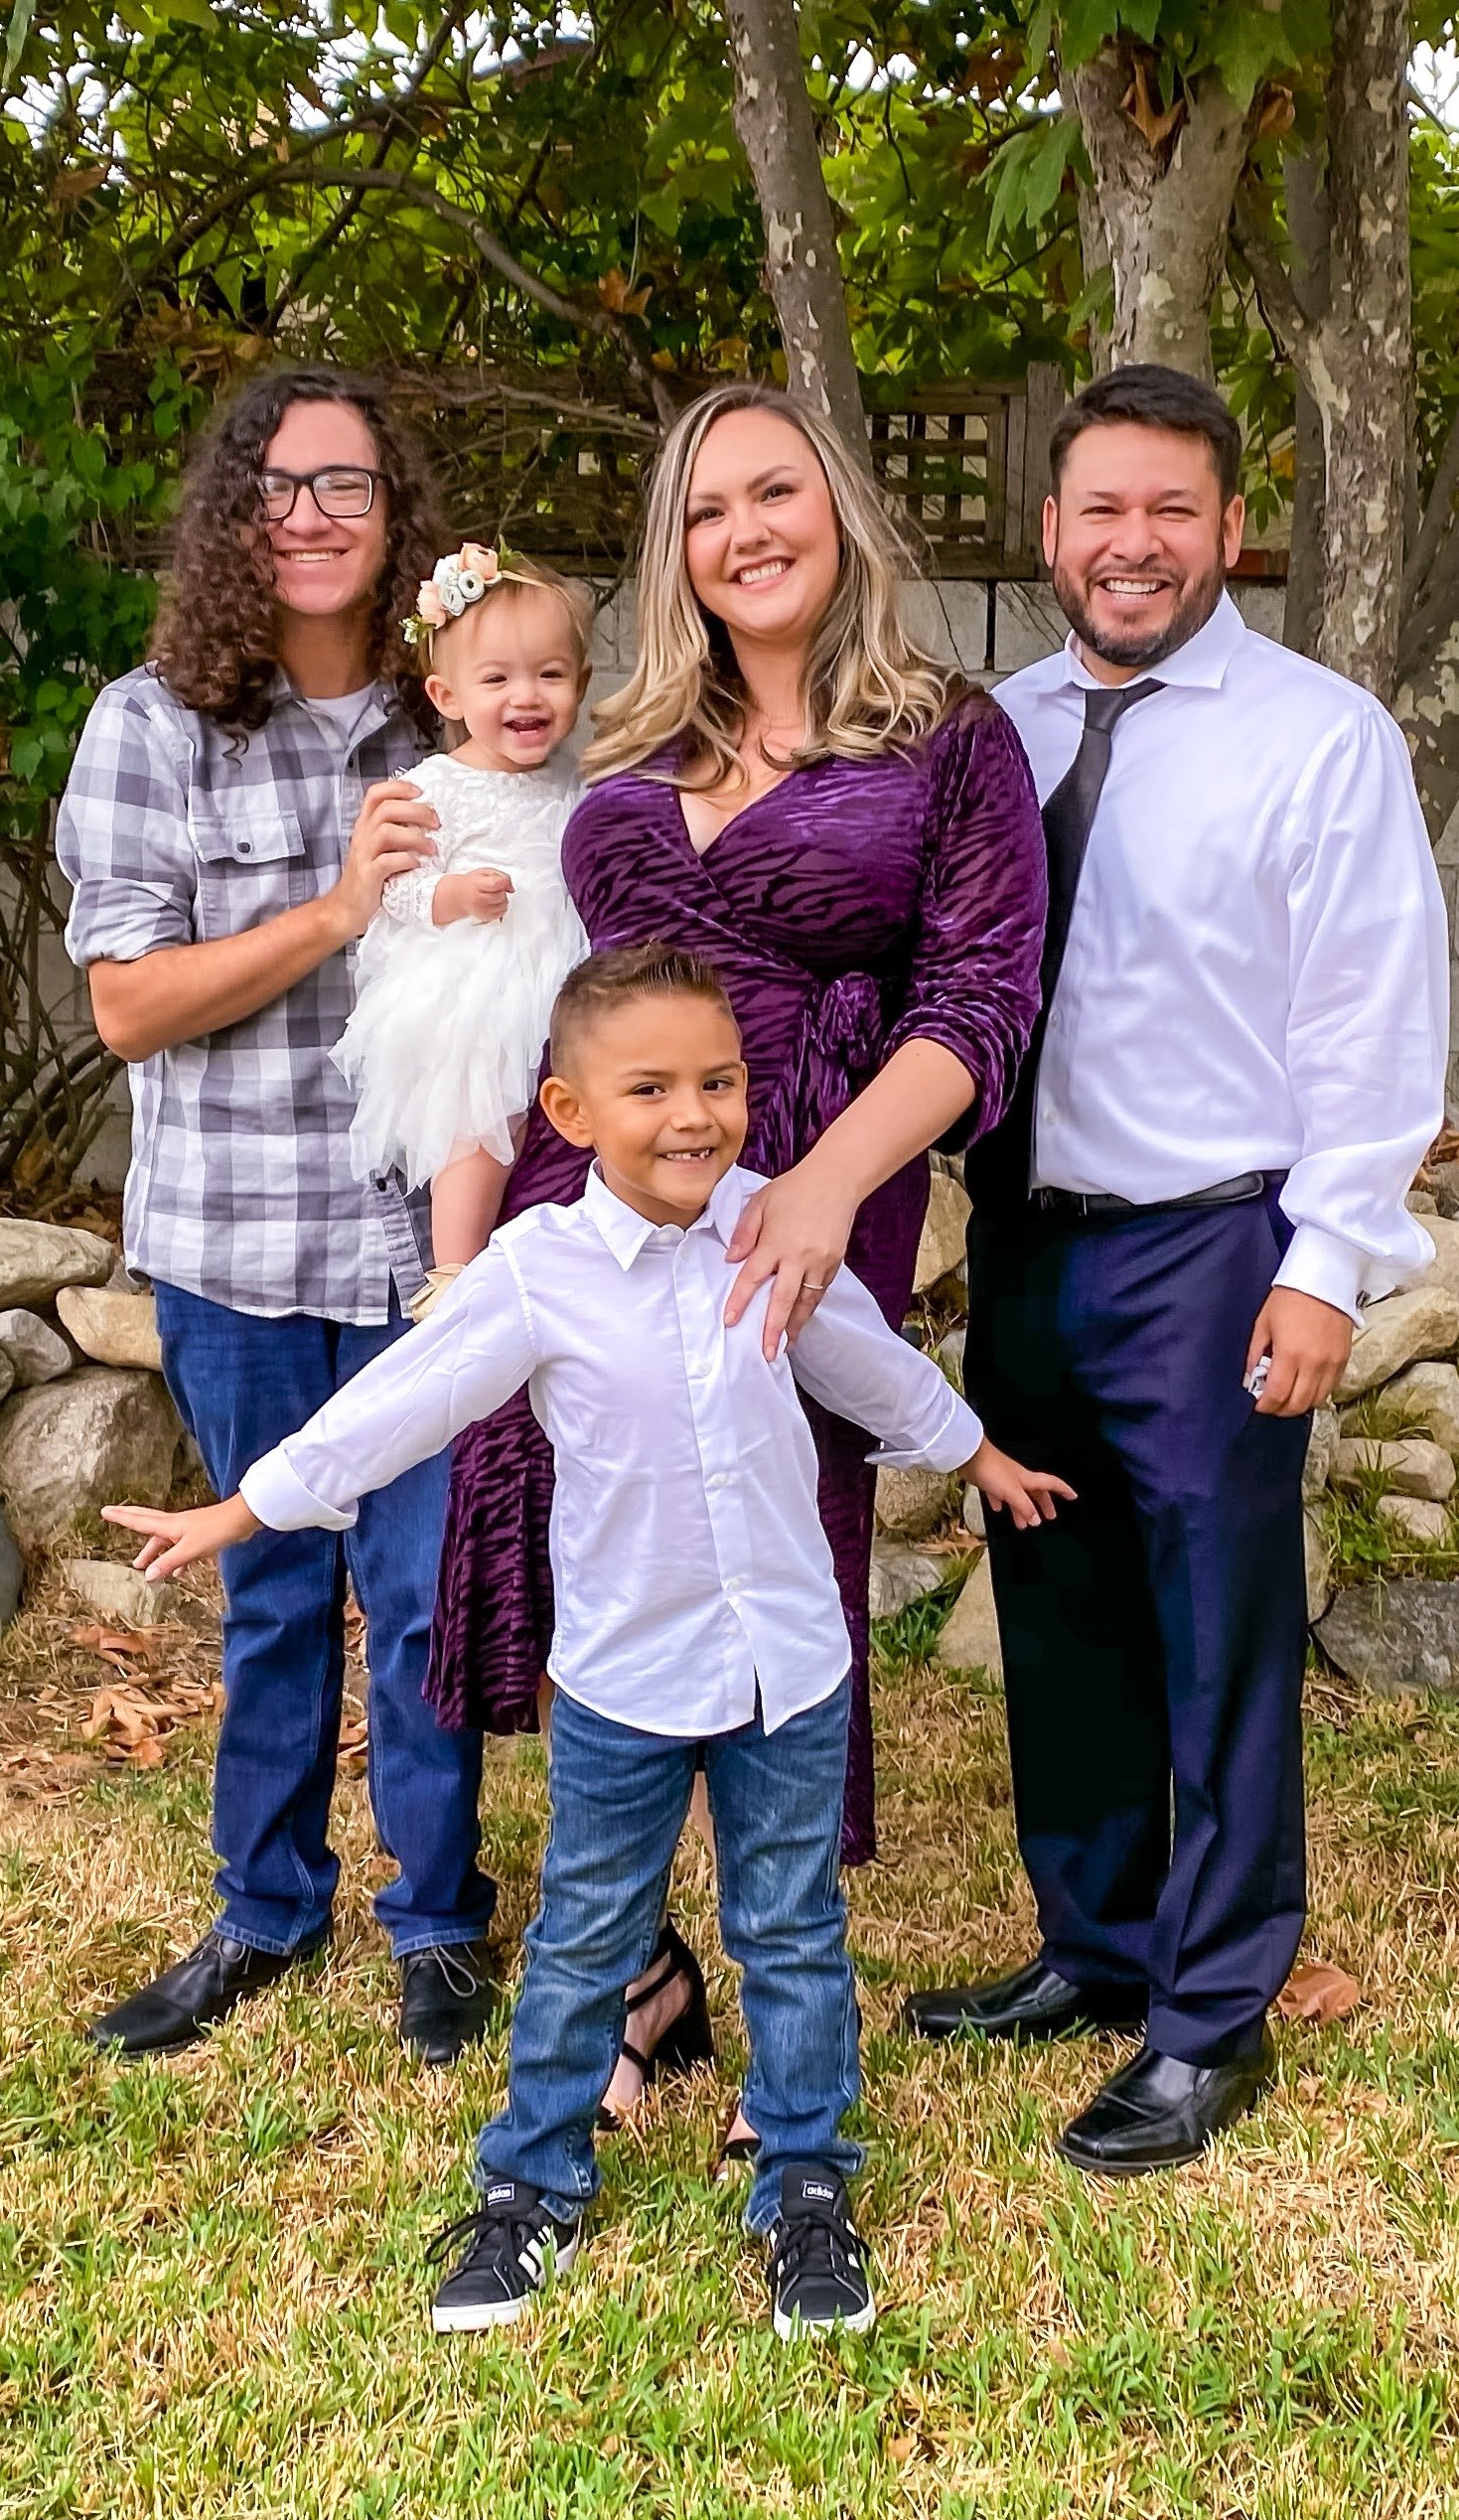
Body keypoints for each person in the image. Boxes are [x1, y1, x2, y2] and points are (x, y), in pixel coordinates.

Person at [105, 943, 1071, 2336]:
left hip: (786, 1669)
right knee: (581, 1936)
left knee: (791, 1931)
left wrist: (976, 1454)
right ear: (568, 1113)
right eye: (652, 1088)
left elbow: (864, 1360)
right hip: (625, 1680)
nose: (696, 1114)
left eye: (721, 1081)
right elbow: (407, 1400)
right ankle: (531, 2185)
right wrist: (249, 1506)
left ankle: (804, 2178)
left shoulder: (770, 1230)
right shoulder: (537, 1271)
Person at [424, 381, 1048, 2134]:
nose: (743, 532)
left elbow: (980, 1001)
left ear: (838, 510)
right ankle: (637, 1979)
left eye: (774, 492)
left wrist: (822, 1190)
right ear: (672, 553)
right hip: (595, 1187)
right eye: (704, 511)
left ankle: (780, 1951)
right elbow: (499, 932)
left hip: (810, 1183)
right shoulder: (624, 749)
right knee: (563, 1546)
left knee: (766, 1557)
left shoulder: (948, 737)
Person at [903, 364, 1448, 2174]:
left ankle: (1210, 2018)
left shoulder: (1318, 738)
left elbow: (1371, 1017)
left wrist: (1326, 1262)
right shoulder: (992, 732)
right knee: (1057, 1616)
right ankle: (1095, 1942)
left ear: (1228, 528)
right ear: (1049, 532)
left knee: (1216, 1634)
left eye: (1171, 512)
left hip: (1211, 1247)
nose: (1132, 545)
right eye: (1100, 511)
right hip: (1027, 1244)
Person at [56, 366, 502, 2066]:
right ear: (235, 515)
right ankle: (264, 1907)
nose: (311, 513)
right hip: (236, 1248)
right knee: (272, 1599)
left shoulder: (456, 721)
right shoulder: (153, 726)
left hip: (419, 1252)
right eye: (280, 483)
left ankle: (441, 1921)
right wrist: (335, 911)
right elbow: (127, 1007)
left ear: (400, 522)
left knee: (422, 1595)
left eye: (350, 485)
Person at [331, 545, 590, 1308]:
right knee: (478, 1119)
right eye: (498, 678)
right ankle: (454, 1269)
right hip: (480, 980)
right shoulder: (432, 784)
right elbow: (397, 890)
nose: (528, 696)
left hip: (565, 970)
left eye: (551, 674)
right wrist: (454, 894)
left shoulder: (578, 781)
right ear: (446, 695)